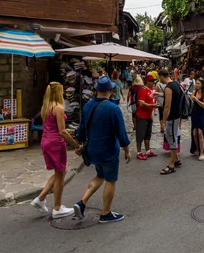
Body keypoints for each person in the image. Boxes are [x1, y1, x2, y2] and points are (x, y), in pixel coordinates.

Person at [73, 76, 131, 223]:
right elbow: (121, 134)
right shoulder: (113, 109)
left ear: (97, 90)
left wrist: (79, 144)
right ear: (110, 91)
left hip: (92, 148)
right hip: (108, 149)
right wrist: (127, 150)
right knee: (111, 180)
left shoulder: (87, 106)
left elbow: (82, 130)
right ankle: (106, 213)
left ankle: (82, 202)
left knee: (100, 175)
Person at [31, 82, 82, 218]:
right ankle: (57, 208)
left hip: (46, 141)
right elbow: (62, 131)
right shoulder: (58, 108)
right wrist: (76, 145)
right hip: (55, 143)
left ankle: (40, 198)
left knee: (61, 171)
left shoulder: (45, 107)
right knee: (60, 175)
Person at [159, 69, 182, 175]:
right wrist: (159, 94)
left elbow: (167, 106)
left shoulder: (168, 87)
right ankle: (176, 159)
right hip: (177, 116)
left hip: (172, 117)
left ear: (162, 77)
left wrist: (163, 121)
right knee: (171, 137)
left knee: (171, 138)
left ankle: (171, 165)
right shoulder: (176, 84)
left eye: (160, 78)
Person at [134, 75, 160, 161]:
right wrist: (152, 105)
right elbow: (141, 103)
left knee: (148, 134)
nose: (153, 83)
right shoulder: (142, 90)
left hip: (148, 116)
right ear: (147, 82)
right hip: (142, 116)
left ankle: (148, 150)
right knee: (140, 134)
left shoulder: (149, 91)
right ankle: (139, 152)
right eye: (151, 81)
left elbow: (149, 99)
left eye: (154, 81)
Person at [190, 78, 204, 160]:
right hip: (194, 113)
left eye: (198, 83)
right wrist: (193, 94)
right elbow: (191, 98)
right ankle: (197, 149)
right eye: (196, 83)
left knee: (200, 133)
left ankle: (202, 152)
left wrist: (196, 100)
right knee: (194, 133)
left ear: (202, 84)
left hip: (202, 114)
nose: (196, 85)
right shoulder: (195, 91)